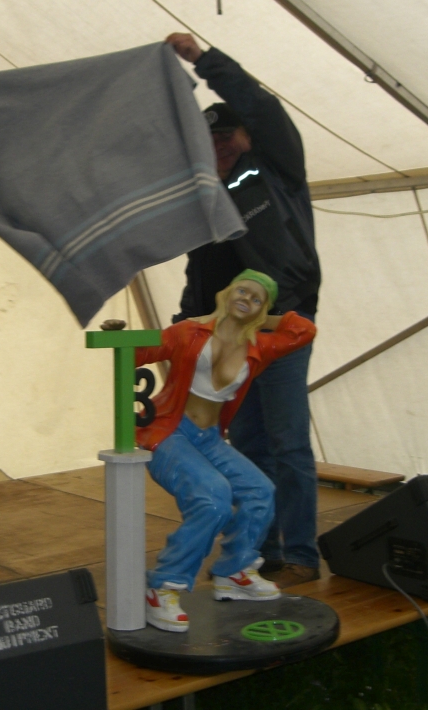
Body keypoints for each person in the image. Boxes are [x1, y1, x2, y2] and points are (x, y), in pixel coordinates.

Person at [166, 33, 323, 589]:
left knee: (287, 442)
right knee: (250, 444)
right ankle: (261, 552)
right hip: (230, 342)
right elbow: (202, 271)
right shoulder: (205, 195)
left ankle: (301, 553)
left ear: (248, 136)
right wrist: (184, 326)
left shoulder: (275, 169)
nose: (220, 147)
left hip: (281, 330)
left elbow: (261, 106)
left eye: (227, 135)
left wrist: (203, 61)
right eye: (209, 139)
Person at [135, 270, 315, 632]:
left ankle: (234, 572)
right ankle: (163, 586)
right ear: (226, 291)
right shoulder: (189, 332)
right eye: (242, 291)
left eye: (256, 299)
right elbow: (137, 351)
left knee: (260, 490)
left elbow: (303, 330)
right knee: (213, 499)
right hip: (171, 432)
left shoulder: (259, 345)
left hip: (210, 437)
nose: (246, 299)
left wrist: (263, 319)